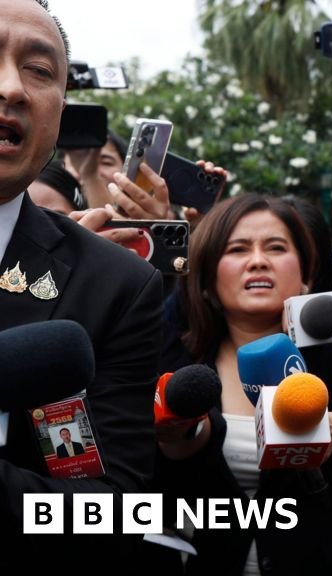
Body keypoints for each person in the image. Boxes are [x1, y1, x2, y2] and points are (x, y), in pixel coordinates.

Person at [0, 0, 164, 568]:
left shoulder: (117, 285)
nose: (11, 88)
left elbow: (114, 512)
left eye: (38, 70)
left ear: (61, 110)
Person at [153, 193, 332, 575]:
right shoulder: (180, 357)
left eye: (276, 247)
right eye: (238, 249)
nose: (258, 261)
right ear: (207, 279)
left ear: (306, 274)